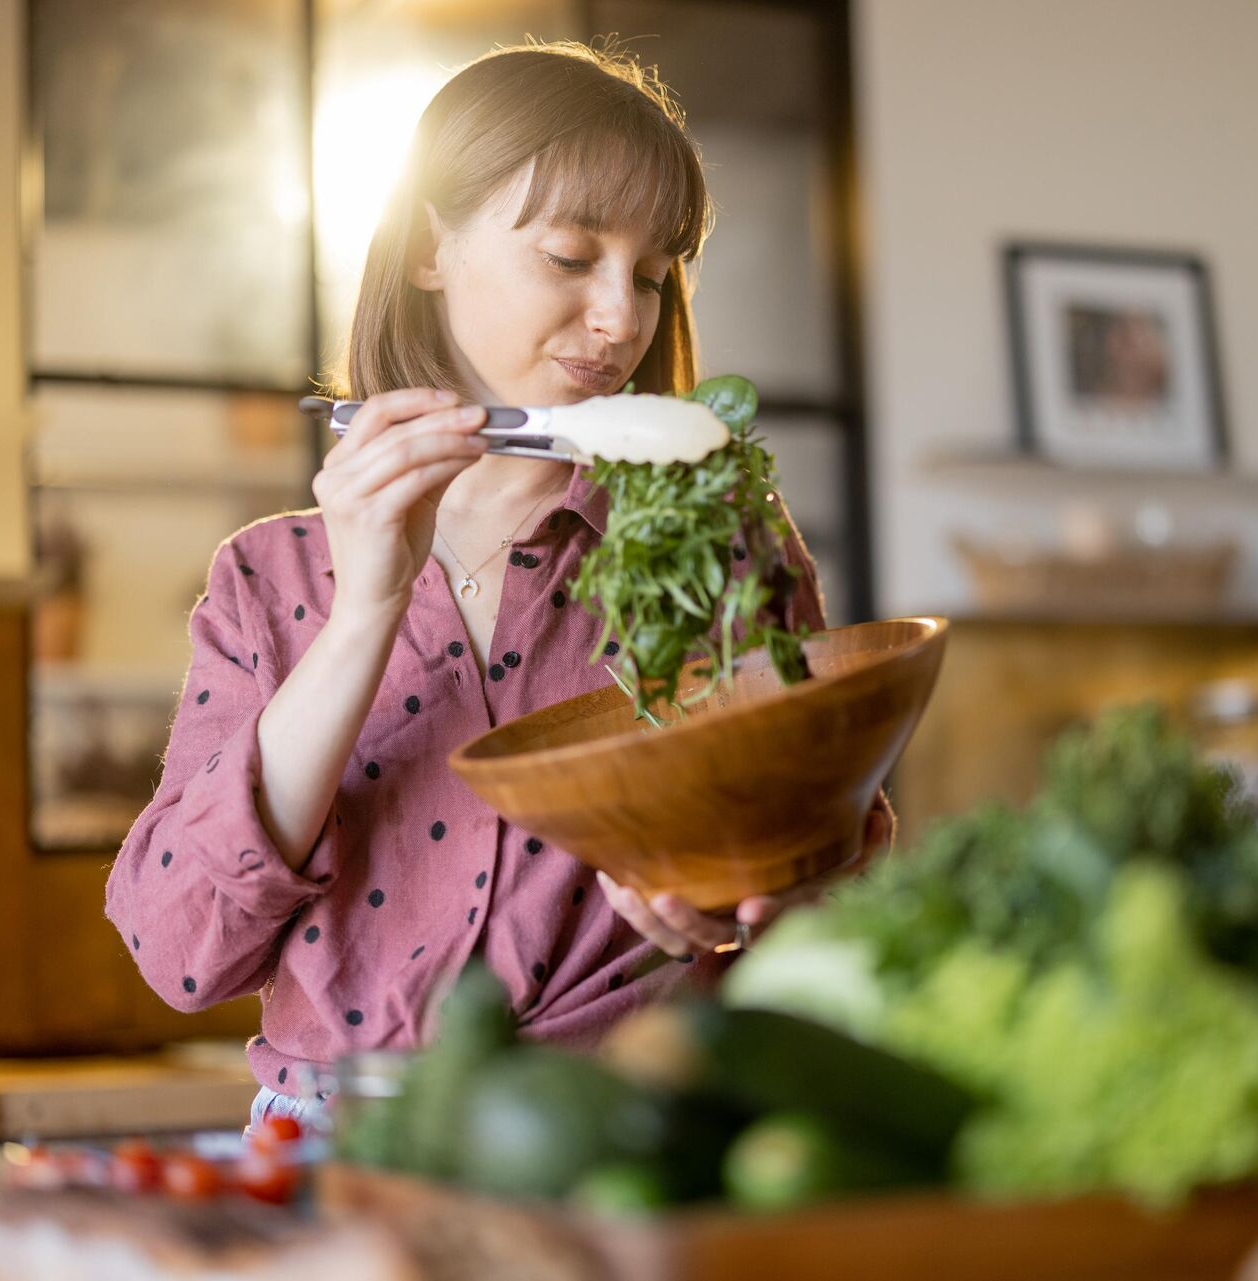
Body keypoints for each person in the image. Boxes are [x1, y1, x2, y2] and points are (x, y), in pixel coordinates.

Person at [102, 40, 894, 1133]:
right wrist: (365, 614)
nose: (623, 319)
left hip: (639, 1133)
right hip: (338, 1150)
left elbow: (839, 881)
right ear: (433, 246)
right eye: (571, 257)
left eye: (654, 275)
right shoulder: (268, 578)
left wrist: (734, 902)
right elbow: (182, 950)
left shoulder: (720, 540)